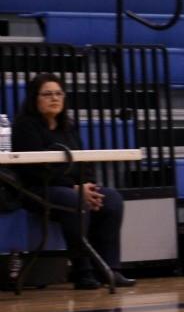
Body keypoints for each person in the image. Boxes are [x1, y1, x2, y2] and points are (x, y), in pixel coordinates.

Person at [11, 73, 135, 290]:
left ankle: (110, 269)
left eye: (58, 93)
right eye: (47, 94)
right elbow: (32, 171)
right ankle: (82, 271)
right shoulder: (24, 126)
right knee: (73, 200)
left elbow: (83, 163)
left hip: (72, 187)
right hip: (37, 189)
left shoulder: (69, 126)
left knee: (112, 199)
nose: (54, 98)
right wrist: (75, 188)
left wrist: (88, 186)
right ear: (34, 98)